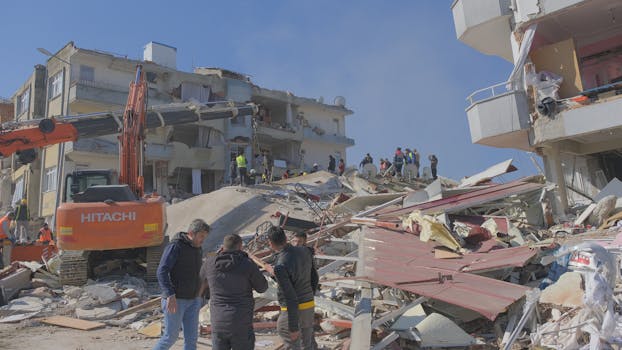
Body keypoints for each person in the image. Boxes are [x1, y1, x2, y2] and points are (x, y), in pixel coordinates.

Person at [202, 234, 268, 350]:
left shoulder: (209, 263)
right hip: (241, 322)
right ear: (240, 246)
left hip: (218, 322)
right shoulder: (247, 264)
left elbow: (200, 287)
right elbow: (262, 287)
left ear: (223, 247)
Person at [153, 219, 210, 350]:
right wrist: (169, 294)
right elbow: (162, 271)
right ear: (191, 233)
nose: (203, 240)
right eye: (201, 236)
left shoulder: (197, 248)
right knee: (170, 337)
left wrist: (200, 295)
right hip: (176, 300)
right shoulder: (176, 246)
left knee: (191, 340)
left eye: (205, 237)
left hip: (193, 300)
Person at [268, 226, 318, 350]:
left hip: (292, 310)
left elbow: (290, 297)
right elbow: (314, 277)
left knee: (289, 337)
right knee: (307, 344)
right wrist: (309, 295)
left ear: (271, 243)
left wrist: (293, 327)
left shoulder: (280, 265)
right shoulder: (305, 251)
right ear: (286, 238)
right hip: (308, 304)